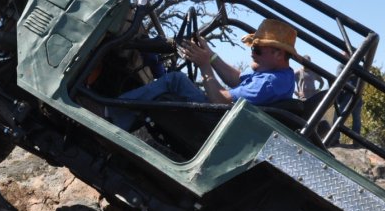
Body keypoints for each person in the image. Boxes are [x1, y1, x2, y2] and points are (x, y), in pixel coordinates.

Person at [108, 17, 299, 130]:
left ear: (278, 53)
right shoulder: (273, 73)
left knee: (175, 80)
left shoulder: (270, 83)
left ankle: (109, 110)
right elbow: (235, 79)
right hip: (224, 118)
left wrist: (204, 66)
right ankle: (120, 115)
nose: (251, 52)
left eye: (257, 49)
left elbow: (219, 101)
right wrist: (211, 56)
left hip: (218, 123)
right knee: (174, 84)